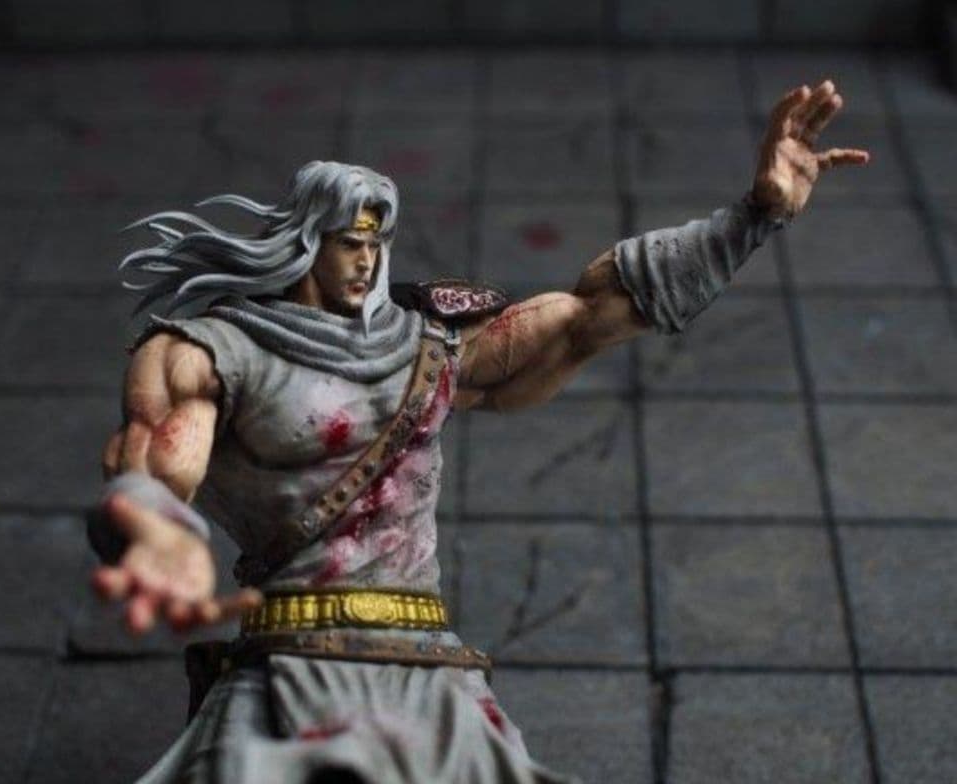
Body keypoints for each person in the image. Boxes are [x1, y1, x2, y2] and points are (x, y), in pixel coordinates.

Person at [89, 81, 868, 783]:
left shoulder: (422, 347)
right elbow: (151, 466)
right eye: (349, 243)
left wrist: (752, 217)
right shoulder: (210, 353)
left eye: (376, 243)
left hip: (427, 664)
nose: (366, 262)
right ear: (305, 240)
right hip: (287, 660)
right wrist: (157, 539)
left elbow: (588, 315)